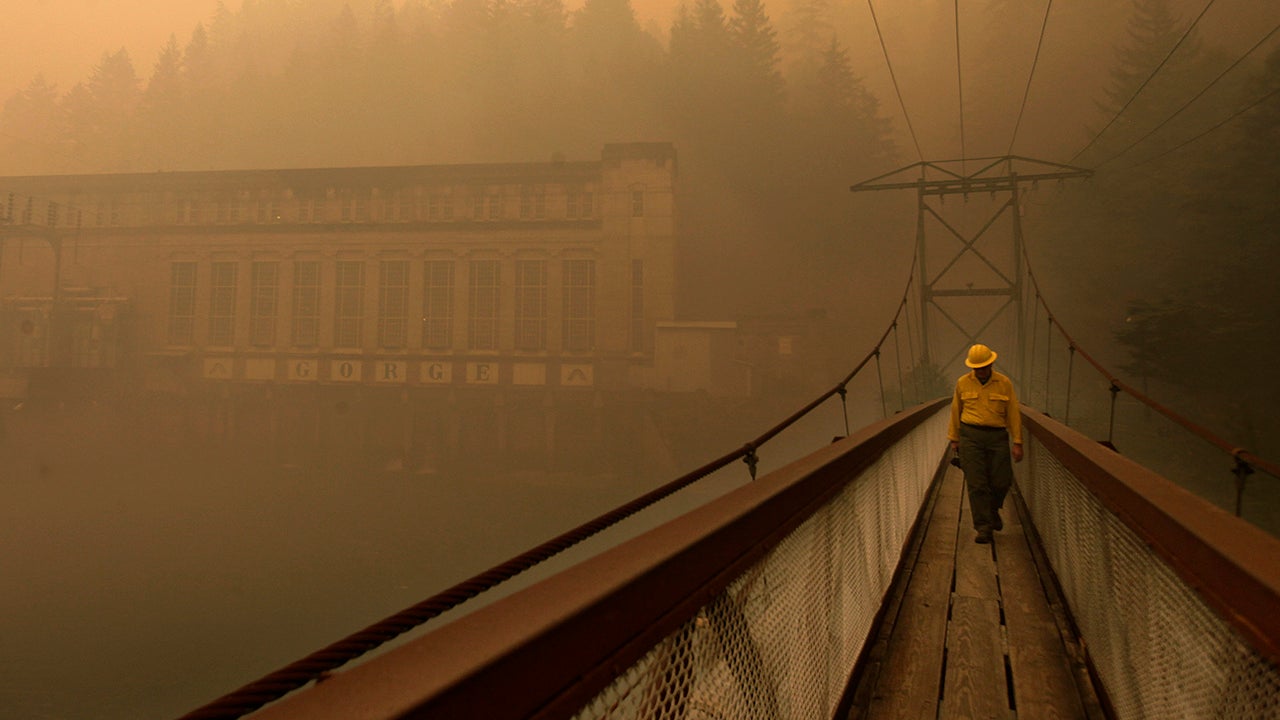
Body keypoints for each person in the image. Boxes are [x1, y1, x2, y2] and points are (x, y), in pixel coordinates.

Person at [948, 343, 1023, 544]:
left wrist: (1017, 441)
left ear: (991, 364)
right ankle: (983, 527)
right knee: (977, 483)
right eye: (976, 367)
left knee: (1002, 480)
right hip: (970, 435)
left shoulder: (1004, 383)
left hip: (997, 436)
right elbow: (956, 410)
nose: (980, 371)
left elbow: (1013, 413)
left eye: (984, 366)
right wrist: (954, 439)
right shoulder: (962, 383)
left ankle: (991, 511)